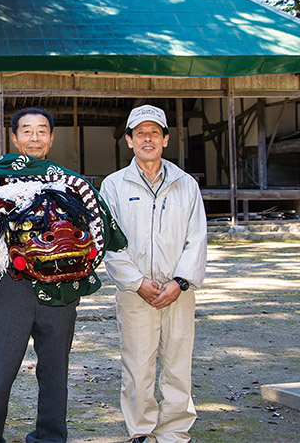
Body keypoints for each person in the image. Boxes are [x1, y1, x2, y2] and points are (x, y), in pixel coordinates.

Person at [0, 108, 126, 443]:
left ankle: (50, 437)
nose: (35, 138)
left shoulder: (68, 180)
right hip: (10, 288)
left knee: (54, 371)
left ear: (51, 137)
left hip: (60, 287)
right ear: (14, 138)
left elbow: (97, 224)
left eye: (42, 130)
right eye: (27, 131)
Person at [100, 105, 207, 443]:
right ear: (129, 140)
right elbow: (110, 242)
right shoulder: (114, 186)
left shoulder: (185, 184)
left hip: (178, 290)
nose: (148, 138)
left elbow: (197, 237)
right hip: (136, 292)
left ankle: (174, 431)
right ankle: (142, 432)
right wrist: (137, 283)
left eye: (154, 132)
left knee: (177, 363)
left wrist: (180, 282)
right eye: (140, 133)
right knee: (138, 365)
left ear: (165, 139)